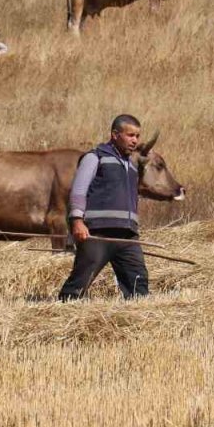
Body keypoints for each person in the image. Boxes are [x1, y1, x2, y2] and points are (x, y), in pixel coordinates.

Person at [58, 114, 150, 301]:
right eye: (130, 135)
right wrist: (77, 221)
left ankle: (138, 320)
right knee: (81, 280)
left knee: (138, 281)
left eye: (137, 136)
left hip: (127, 236)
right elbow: (78, 191)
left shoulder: (131, 166)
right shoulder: (95, 157)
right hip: (97, 233)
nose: (135, 140)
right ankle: (62, 310)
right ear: (115, 135)